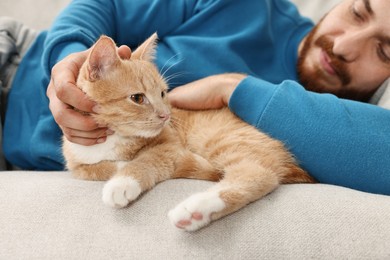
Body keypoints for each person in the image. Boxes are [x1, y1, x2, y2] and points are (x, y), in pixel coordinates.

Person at [1, 0, 390, 195]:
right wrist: (66, 61)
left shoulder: (338, 124)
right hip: (15, 65)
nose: (344, 45)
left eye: (385, 50)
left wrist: (235, 87)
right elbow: (107, 5)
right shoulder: (248, 7)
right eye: (358, 12)